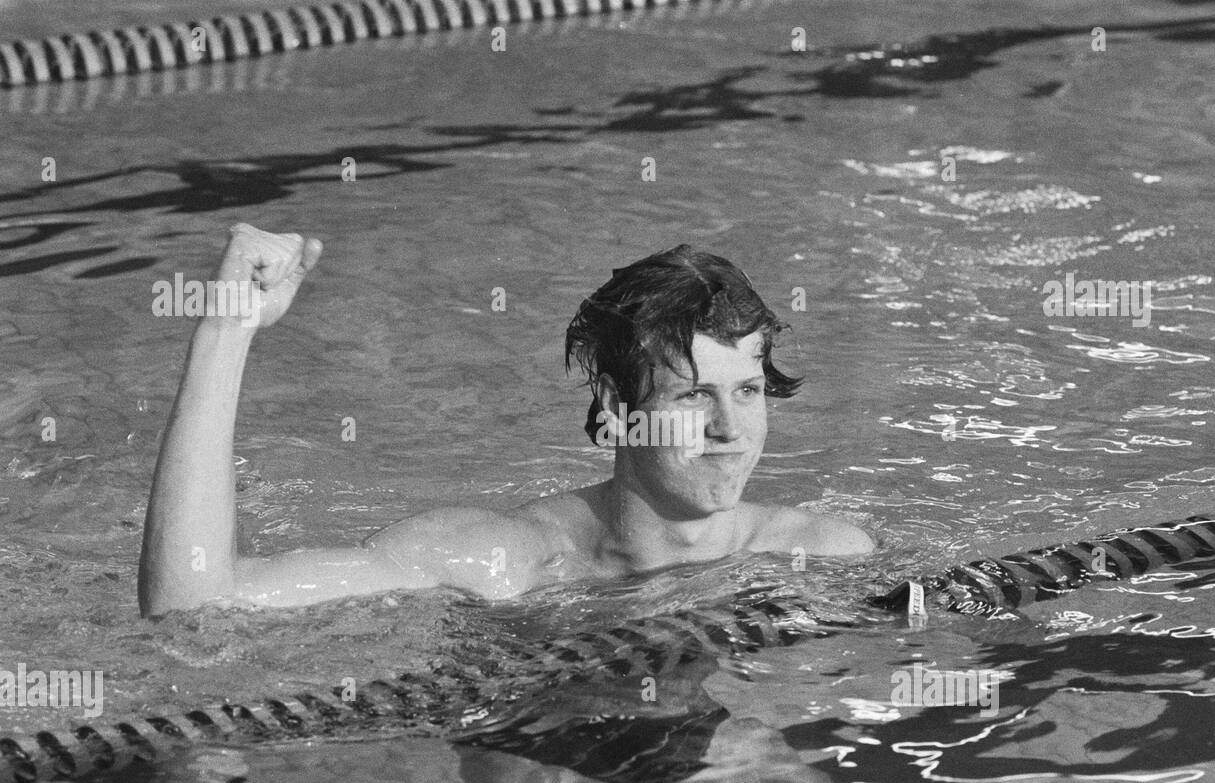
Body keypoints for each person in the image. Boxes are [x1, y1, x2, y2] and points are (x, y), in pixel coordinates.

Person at [138, 224, 875, 617]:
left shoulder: (821, 553)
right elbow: (197, 606)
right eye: (692, 397)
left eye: (746, 392)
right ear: (619, 415)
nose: (730, 429)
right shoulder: (507, 561)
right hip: (550, 750)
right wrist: (225, 332)